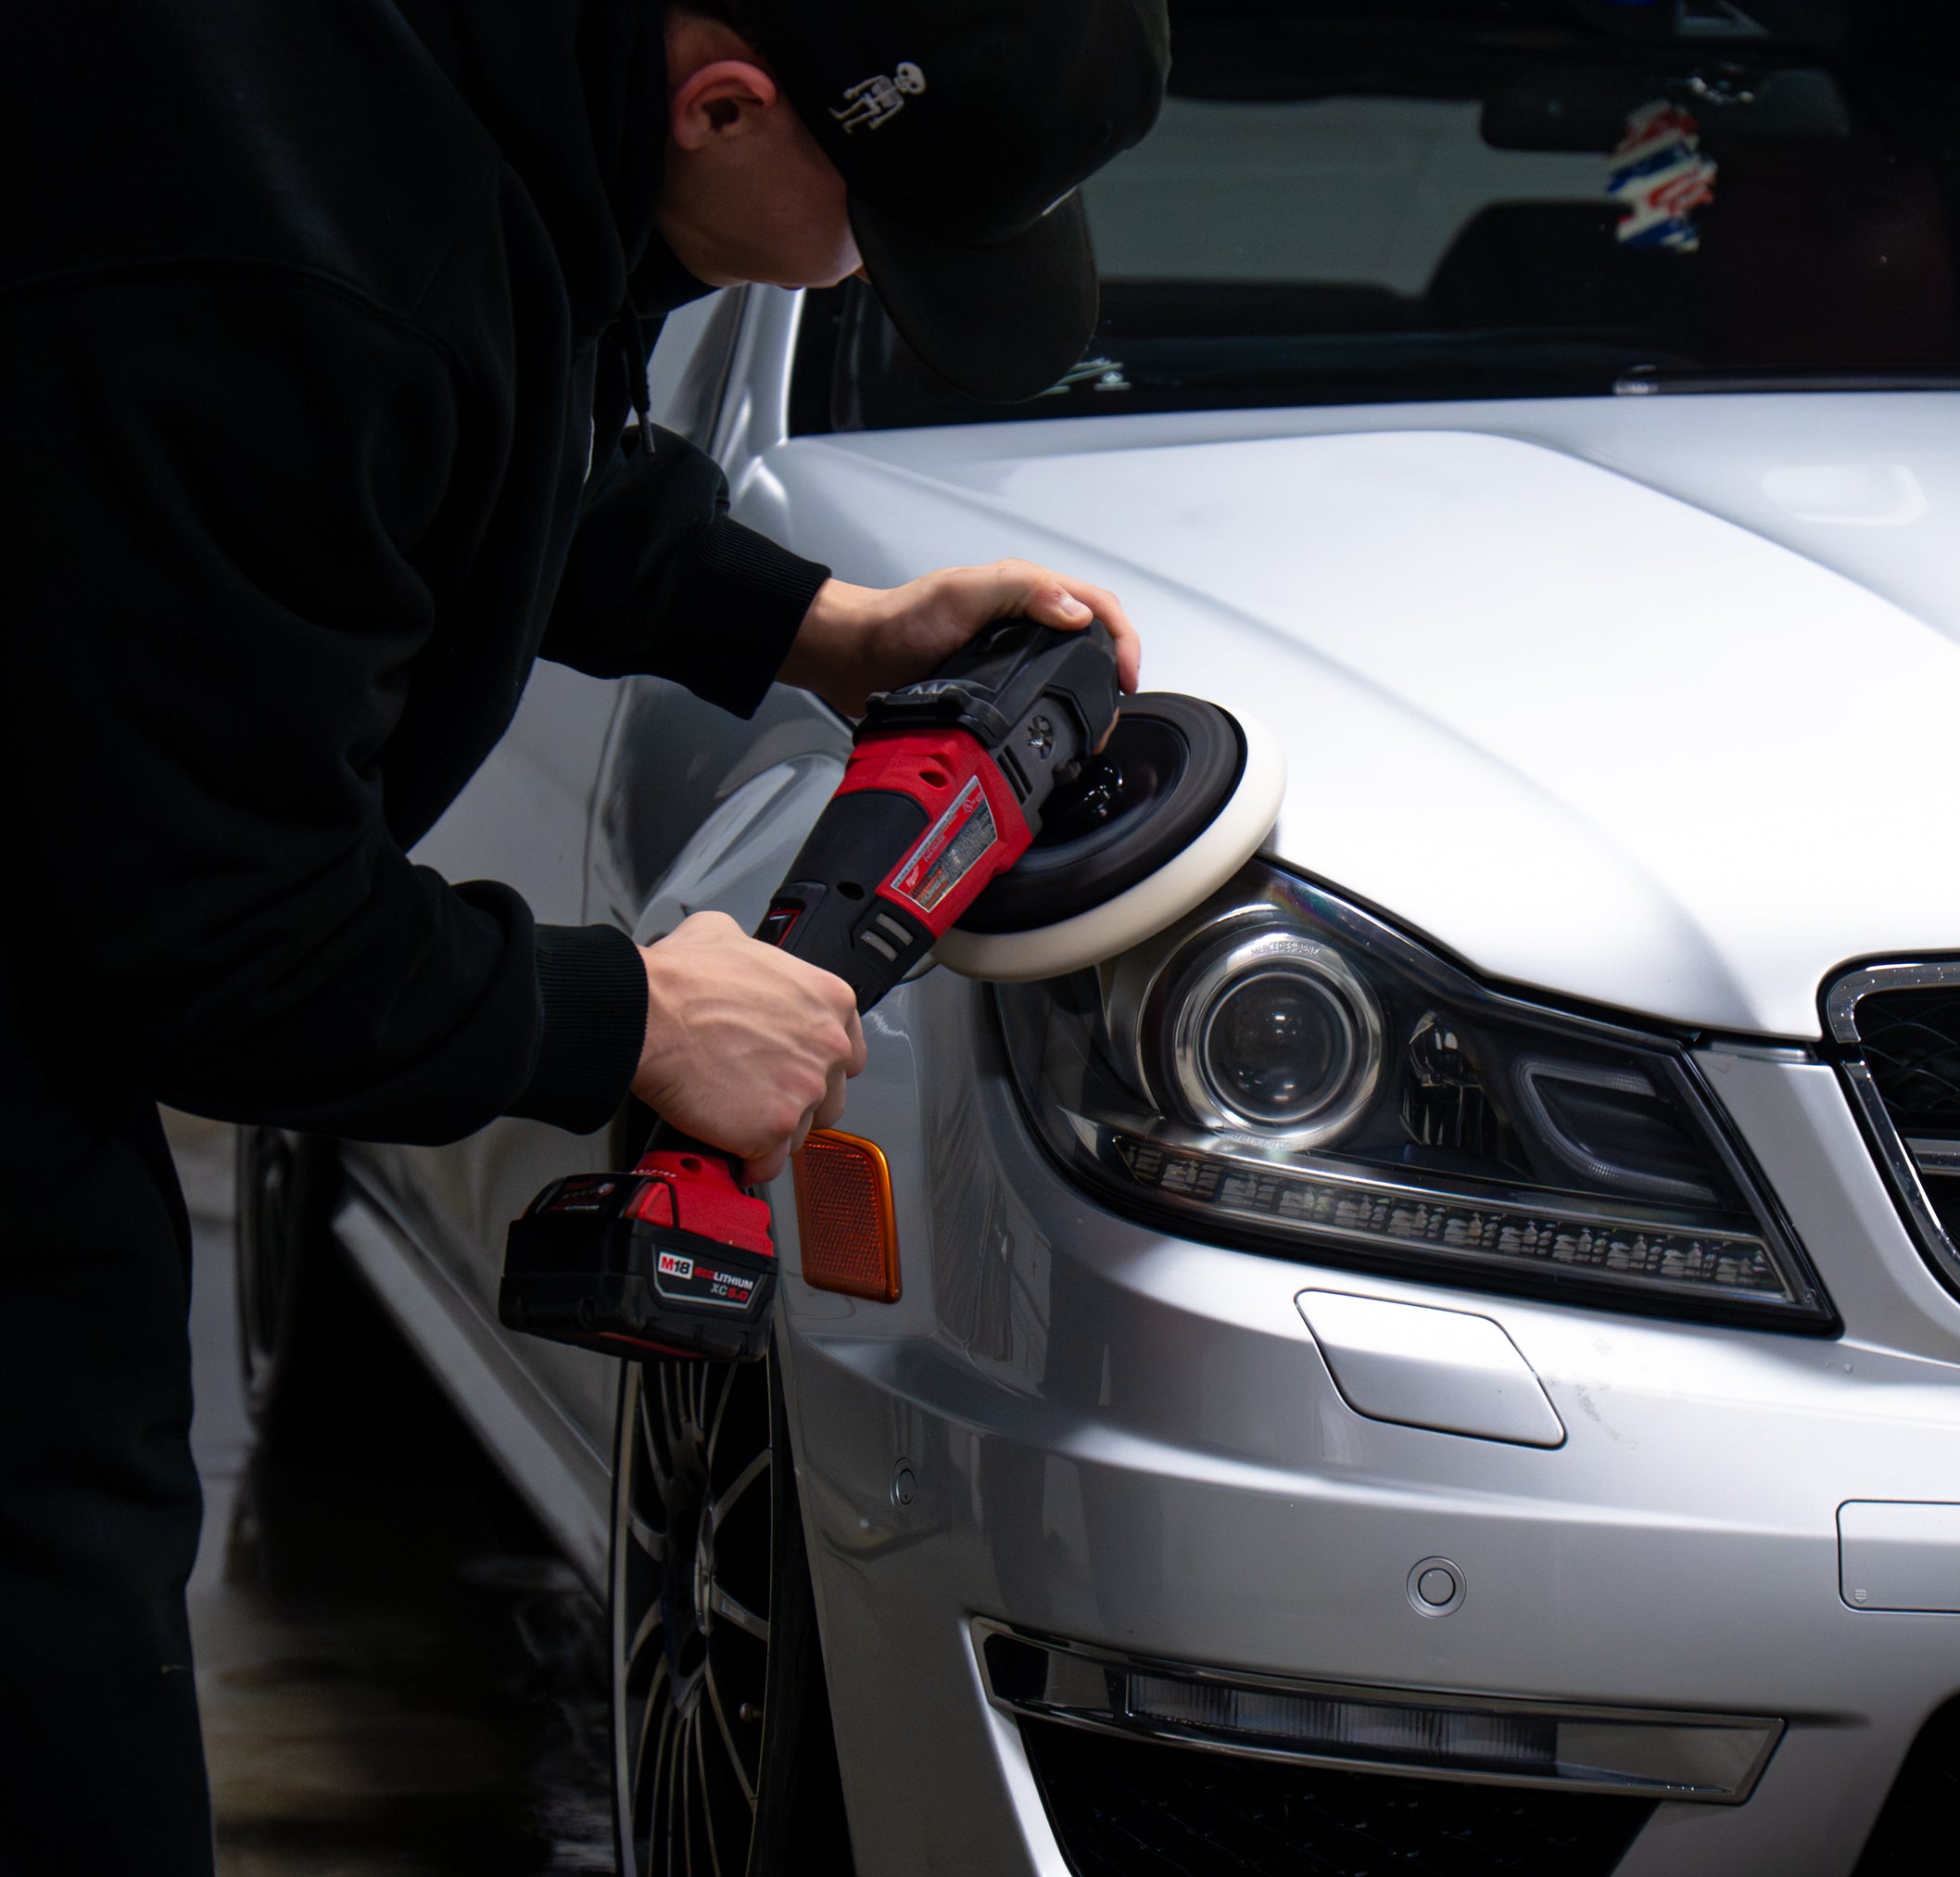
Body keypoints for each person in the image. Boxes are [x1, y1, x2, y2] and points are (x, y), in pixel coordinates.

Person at [0, 0, 1165, 1867]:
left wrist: (816, 623)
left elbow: (480, 434)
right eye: (877, 219)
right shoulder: (280, 249)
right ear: (726, 103)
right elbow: (205, 936)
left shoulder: (505, 98)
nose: (872, 265)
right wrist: (625, 1009)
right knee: (37, 1594)